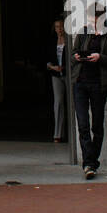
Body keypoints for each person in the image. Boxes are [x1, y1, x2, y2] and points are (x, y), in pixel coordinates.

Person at [72, 1, 107, 179]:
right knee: (83, 125)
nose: (92, 20)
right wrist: (77, 56)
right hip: (80, 82)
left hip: (99, 84)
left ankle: (92, 161)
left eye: (95, 17)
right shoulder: (83, 32)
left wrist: (100, 57)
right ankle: (88, 164)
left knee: (96, 125)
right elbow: (73, 53)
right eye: (90, 17)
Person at [47, 15, 68, 143]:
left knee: (72, 102)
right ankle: (58, 134)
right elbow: (47, 59)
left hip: (67, 73)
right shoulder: (51, 41)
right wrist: (52, 67)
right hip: (56, 75)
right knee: (58, 102)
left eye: (61, 27)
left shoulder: (69, 40)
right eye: (57, 27)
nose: (59, 29)